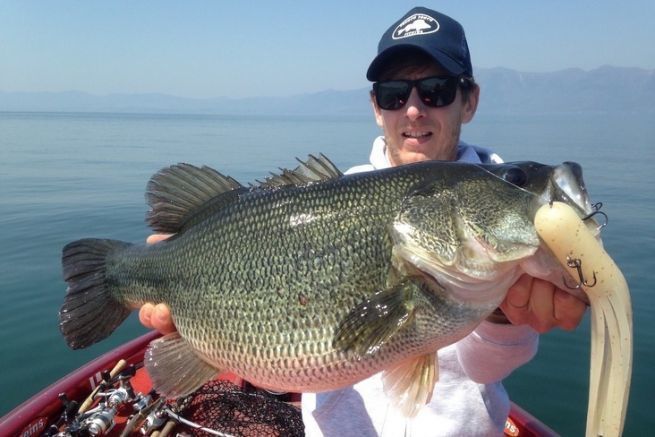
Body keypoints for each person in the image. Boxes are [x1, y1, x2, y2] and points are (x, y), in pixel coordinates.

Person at [140, 7, 587, 436]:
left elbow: (485, 368)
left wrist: (505, 316)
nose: (413, 110)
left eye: (436, 90)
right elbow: (297, 355)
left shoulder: (501, 245)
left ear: (468, 101)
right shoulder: (341, 195)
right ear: (377, 107)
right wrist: (206, 314)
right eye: (395, 94)